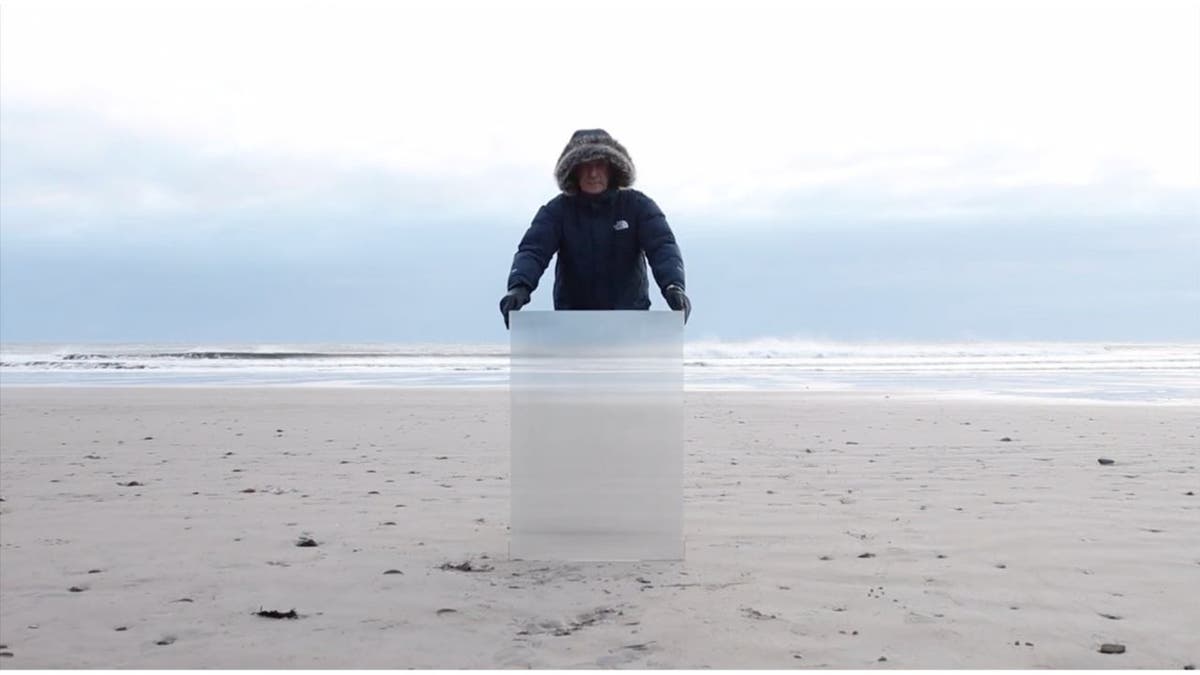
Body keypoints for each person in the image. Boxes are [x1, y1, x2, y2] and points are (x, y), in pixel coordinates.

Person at [499, 129, 691, 328]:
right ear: (573, 171)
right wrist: (519, 287)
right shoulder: (556, 212)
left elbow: (662, 247)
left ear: (612, 169)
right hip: (573, 325)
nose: (593, 173)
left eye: (599, 165)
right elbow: (533, 251)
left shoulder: (638, 206)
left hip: (630, 324)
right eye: (585, 166)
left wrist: (673, 286)